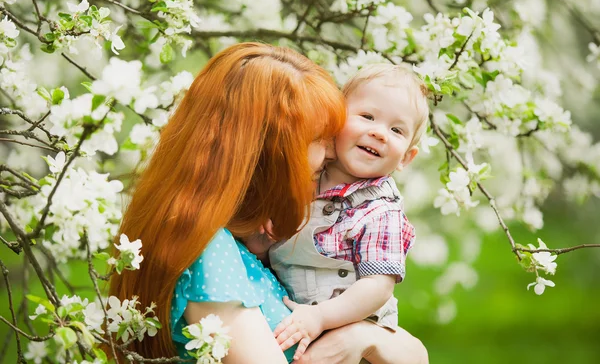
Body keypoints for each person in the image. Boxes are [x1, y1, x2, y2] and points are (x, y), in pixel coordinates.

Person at [109, 44, 428, 363]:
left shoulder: (246, 240)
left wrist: (364, 336)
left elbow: (415, 353)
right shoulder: (208, 252)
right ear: (270, 153)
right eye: (318, 138)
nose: (332, 153)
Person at [268, 64, 430, 360]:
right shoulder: (306, 176)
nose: (379, 133)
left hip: (350, 337)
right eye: (367, 116)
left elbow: (376, 287)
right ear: (337, 120)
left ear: (406, 156)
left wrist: (320, 318)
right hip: (293, 321)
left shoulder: (381, 211)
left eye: (396, 130)